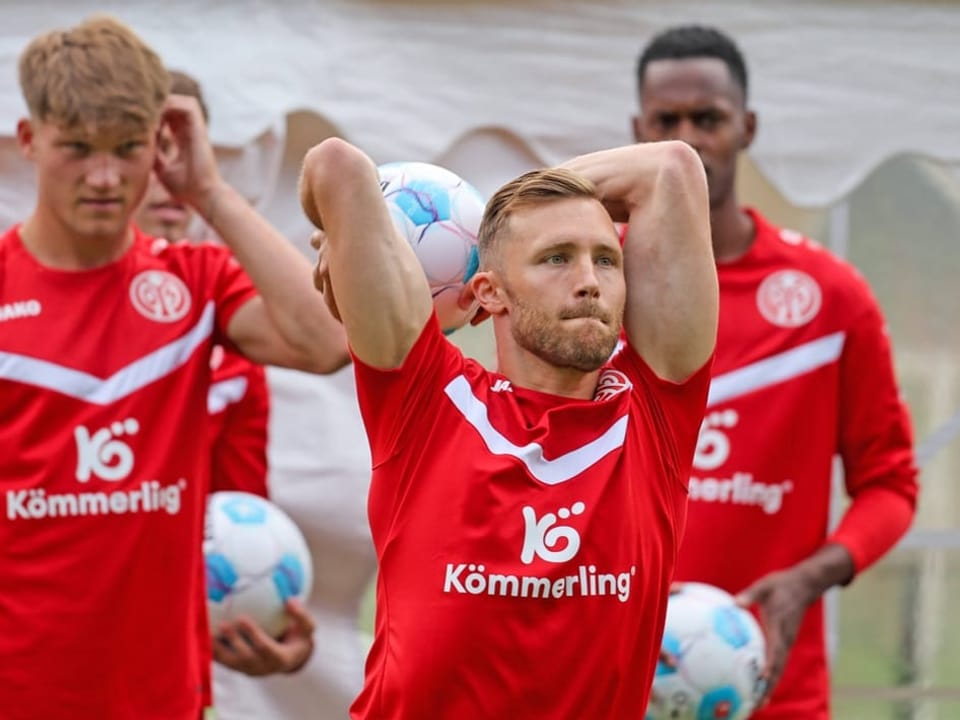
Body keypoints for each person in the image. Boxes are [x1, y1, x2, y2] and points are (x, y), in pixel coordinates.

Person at [0, 16, 349, 720]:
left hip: (163, 699)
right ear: (31, 141)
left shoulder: (195, 281)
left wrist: (211, 194)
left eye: (128, 149)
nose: (104, 177)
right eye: (77, 148)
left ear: (159, 147)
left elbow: (328, 344)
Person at [299, 135, 718, 717]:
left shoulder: (655, 416)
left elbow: (672, 169)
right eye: (555, 257)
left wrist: (519, 209)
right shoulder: (427, 399)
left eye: (606, 258)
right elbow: (338, 167)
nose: (590, 280)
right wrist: (490, 226)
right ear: (488, 292)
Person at [632, 25, 919, 719]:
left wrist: (807, 580)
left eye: (709, 119)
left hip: (770, 689)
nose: (689, 139)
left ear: (748, 127)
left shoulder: (828, 297)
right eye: (666, 122)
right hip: (615, 678)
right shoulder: (600, 285)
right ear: (636, 131)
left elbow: (890, 484)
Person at [134, 69, 271, 500]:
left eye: (187, 153)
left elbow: (241, 509)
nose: (171, 178)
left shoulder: (231, 303)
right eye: (153, 153)